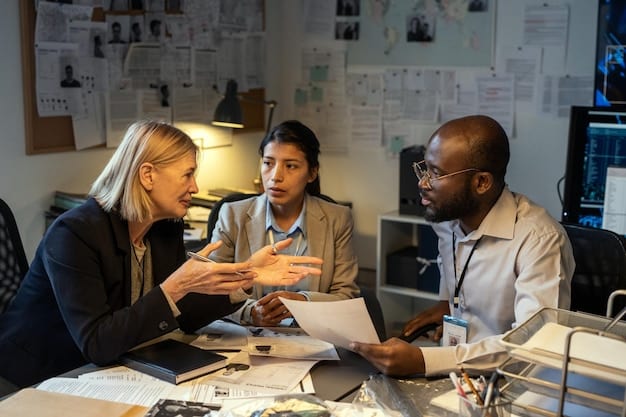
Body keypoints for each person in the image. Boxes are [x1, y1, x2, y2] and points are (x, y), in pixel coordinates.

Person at [0, 121, 323, 388]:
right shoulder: (74, 234)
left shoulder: (162, 227)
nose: (195, 187)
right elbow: (97, 342)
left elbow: (188, 311)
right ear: (148, 175)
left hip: (110, 372)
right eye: (187, 174)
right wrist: (174, 287)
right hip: (39, 377)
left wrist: (246, 274)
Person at [350, 115, 574, 377]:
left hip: (509, 384)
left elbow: (533, 348)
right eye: (425, 168)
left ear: (481, 182)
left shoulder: (539, 240)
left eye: (436, 173)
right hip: (457, 374)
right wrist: (448, 304)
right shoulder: (448, 222)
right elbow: (455, 271)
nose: (422, 183)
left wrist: (426, 361)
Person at [209, 120, 360, 326]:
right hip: (247, 337)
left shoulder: (337, 219)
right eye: (268, 163)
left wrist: (303, 302)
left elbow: (346, 298)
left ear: (312, 173)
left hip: (311, 337)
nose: (276, 177)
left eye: (290, 166)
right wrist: (250, 312)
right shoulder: (232, 215)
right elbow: (210, 292)